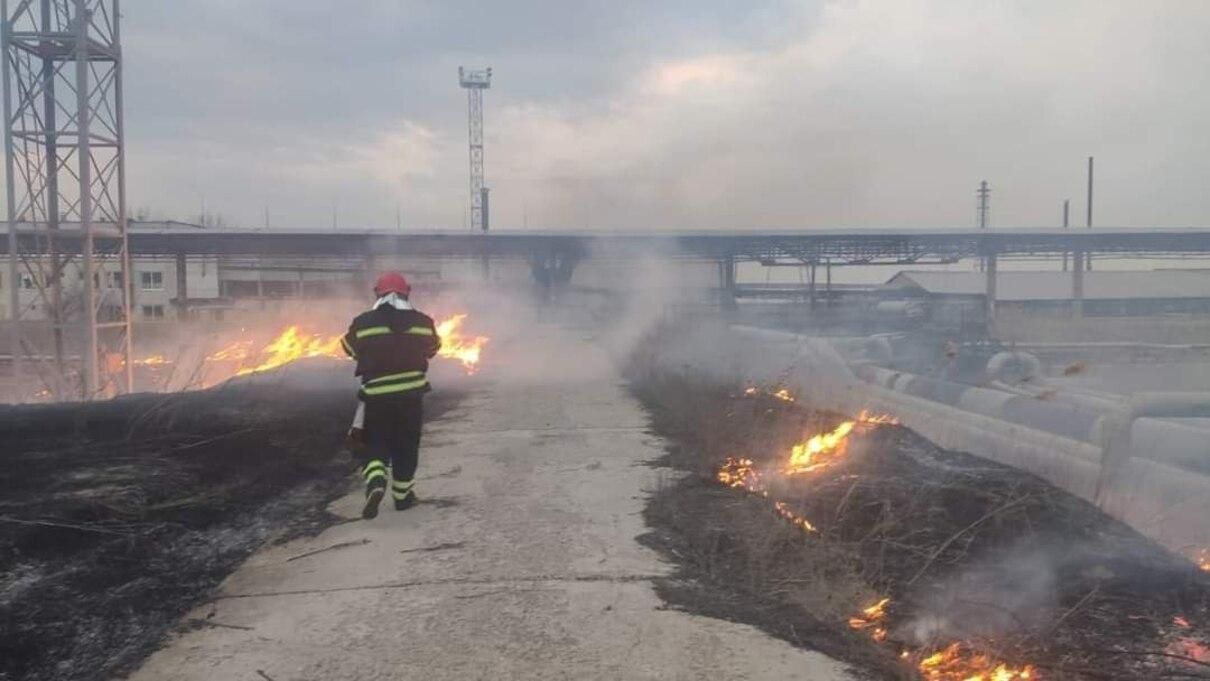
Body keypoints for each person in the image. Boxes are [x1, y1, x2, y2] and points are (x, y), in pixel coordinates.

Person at [340, 271, 440, 519]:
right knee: (406, 444)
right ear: (407, 292)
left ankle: (375, 481)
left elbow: (348, 348)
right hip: (410, 395)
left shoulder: (363, 322)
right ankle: (403, 497)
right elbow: (434, 348)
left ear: (378, 293)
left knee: (375, 441)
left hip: (376, 396)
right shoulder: (423, 322)